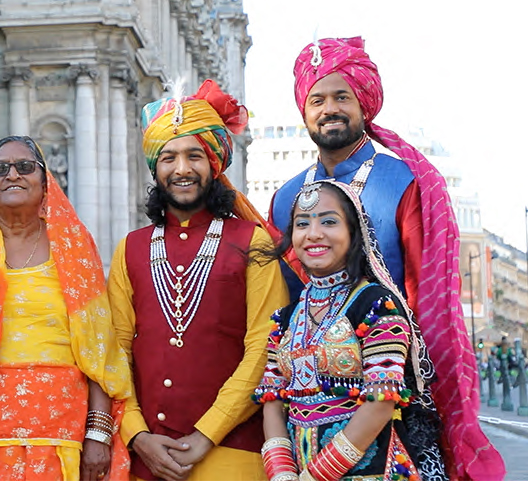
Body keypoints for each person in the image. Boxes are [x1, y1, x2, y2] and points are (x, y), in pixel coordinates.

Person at [268, 37, 503, 480]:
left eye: (342, 97)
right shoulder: (285, 199)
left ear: (365, 105)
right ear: (304, 110)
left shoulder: (406, 182)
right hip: (303, 404)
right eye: (317, 99)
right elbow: (285, 298)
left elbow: (426, 296)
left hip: (396, 396)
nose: (329, 109)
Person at [255, 180, 505, 481]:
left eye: (329, 222)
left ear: (353, 231)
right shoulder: (285, 318)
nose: (314, 234)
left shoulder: (376, 304)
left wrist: (316, 476)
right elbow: (272, 400)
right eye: (302, 224)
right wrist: (282, 474)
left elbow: (382, 401)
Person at [0, 136, 132, 480]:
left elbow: (98, 344)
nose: (12, 175)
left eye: (25, 167)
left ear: (45, 179)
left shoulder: (72, 243)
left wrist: (98, 431)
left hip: (60, 431)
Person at [107, 80, 289, 480]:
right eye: (168, 157)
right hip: (147, 460)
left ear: (214, 163)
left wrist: (208, 433)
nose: (182, 169)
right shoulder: (130, 249)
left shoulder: (251, 240)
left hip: (233, 453)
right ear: (155, 167)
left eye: (195, 156)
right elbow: (115, 352)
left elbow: (266, 345)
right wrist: (137, 434)